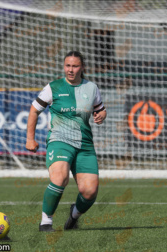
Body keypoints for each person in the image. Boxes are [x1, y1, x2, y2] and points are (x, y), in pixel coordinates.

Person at [26, 51, 107, 232]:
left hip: (85, 145)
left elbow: (101, 109)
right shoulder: (53, 87)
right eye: (67, 66)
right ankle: (45, 222)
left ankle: (74, 215)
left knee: (90, 191)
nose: (70, 70)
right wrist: (30, 139)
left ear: (82, 67)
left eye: (75, 66)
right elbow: (34, 110)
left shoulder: (91, 88)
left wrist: (101, 115)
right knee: (59, 178)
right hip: (60, 140)